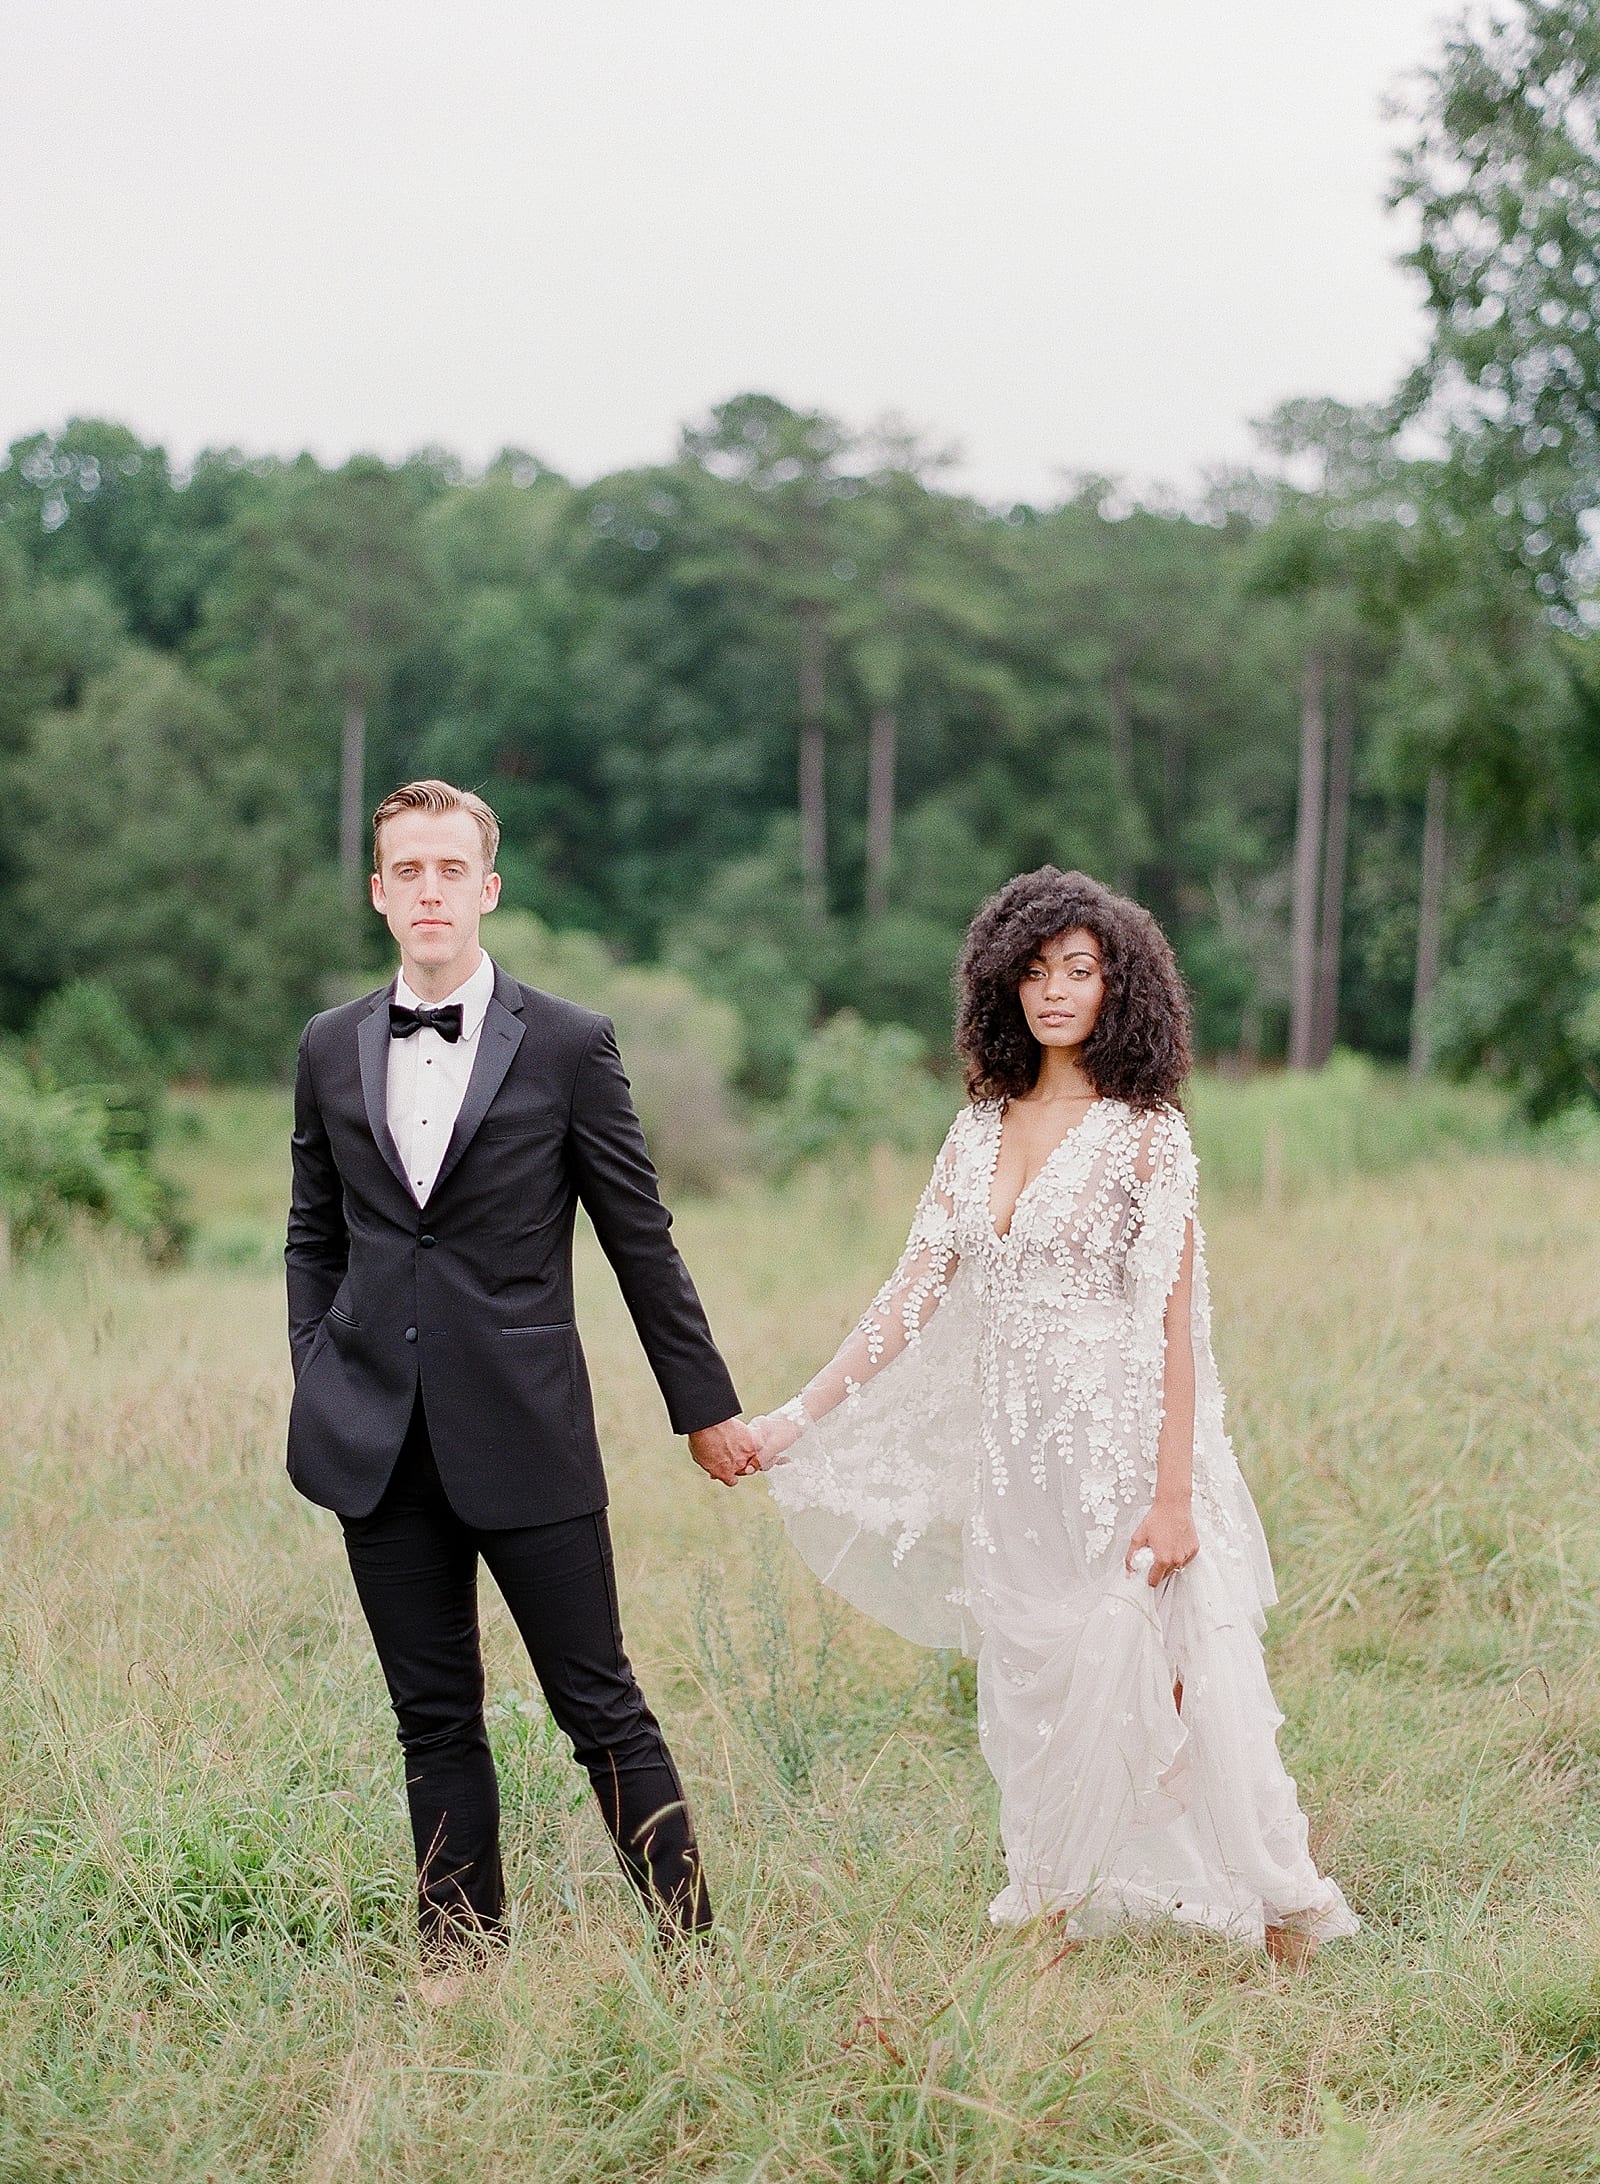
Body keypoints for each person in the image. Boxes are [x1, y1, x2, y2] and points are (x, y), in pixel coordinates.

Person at [752, 868, 1356, 1965]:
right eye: (1032, 974)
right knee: (1037, 1683)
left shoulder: (1145, 1136)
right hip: (1018, 1460)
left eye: (1078, 971)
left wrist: (1173, 1500)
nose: (1055, 992)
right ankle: (1052, 1899)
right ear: (1001, 990)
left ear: (1117, 985)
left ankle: (1276, 1906)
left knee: (1173, 1678)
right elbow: (909, 1294)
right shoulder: (977, 1128)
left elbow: (1180, 1329)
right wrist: (797, 1415)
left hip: (1128, 1450)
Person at [284, 779, 758, 1995]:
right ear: (380, 893)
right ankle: (459, 1964)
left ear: (486, 890)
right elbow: (311, 1230)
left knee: (598, 1703)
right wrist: (318, 1368)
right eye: (408, 871)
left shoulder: (567, 1042)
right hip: (375, 1438)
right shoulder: (329, 1046)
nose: (430, 890)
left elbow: (637, 1235)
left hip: (527, 1430)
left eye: (452, 869)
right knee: (431, 1717)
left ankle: (692, 1954)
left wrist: (701, 1407)